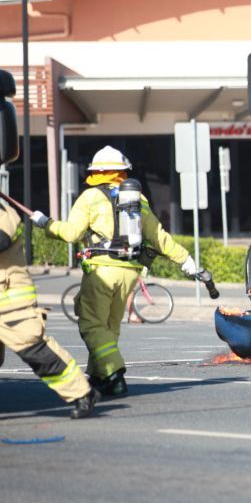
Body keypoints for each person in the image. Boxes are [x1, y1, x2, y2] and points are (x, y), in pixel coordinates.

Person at [31, 146, 197, 395]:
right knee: (109, 327)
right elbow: (158, 237)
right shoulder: (137, 199)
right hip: (130, 270)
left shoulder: (89, 197)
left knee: (91, 325)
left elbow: (71, 233)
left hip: (102, 271)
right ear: (122, 172)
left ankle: (115, 373)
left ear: (96, 172)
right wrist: (187, 261)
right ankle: (99, 376)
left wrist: (46, 224)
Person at [0, 198, 99, 418]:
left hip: (8, 299)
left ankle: (83, 393)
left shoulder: (3, 211)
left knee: (32, 348)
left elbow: (2, 239)